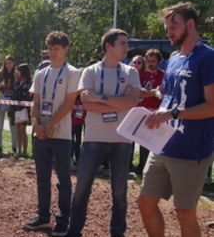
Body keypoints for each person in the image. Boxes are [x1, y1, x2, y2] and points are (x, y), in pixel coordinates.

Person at [139, 2, 214, 237]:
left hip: (191, 150)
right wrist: (152, 103)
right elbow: (167, 95)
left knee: (184, 212)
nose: (169, 31)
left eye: (174, 25)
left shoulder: (208, 57)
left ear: (190, 24)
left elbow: (212, 106)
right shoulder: (172, 59)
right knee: (145, 203)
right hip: (162, 144)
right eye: (166, 27)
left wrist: (173, 113)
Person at [66, 28, 140, 237]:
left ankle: (117, 232)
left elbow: (133, 101)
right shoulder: (90, 71)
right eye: (122, 43)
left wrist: (101, 98)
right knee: (82, 189)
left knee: (120, 192)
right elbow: (87, 105)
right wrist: (119, 103)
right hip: (93, 139)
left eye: (127, 43)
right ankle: (74, 230)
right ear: (109, 46)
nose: (127, 47)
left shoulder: (131, 72)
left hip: (122, 140)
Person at [23, 31, 80, 236]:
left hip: (62, 134)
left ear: (66, 49)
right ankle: (43, 217)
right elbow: (36, 102)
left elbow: (69, 103)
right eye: (50, 49)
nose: (53, 53)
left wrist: (51, 124)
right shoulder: (41, 73)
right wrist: (36, 124)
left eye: (57, 49)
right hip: (41, 133)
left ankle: (64, 219)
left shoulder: (72, 73)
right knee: (42, 177)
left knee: (63, 179)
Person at [134, 49, 165, 175]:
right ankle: (141, 167)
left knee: (154, 142)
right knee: (142, 140)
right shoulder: (142, 75)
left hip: (157, 111)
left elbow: (162, 93)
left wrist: (149, 93)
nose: (151, 63)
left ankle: (153, 169)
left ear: (158, 61)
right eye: (149, 61)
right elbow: (138, 92)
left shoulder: (164, 75)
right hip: (143, 110)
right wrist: (153, 93)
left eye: (153, 61)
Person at [0, 55, 17, 154]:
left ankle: (14, 147)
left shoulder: (16, 74)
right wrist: (0, 85)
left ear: (13, 63)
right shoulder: (0, 74)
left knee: (13, 126)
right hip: (2, 99)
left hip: (12, 101)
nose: (8, 65)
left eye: (10, 63)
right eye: (6, 63)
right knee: (0, 125)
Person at [8, 63, 33, 157]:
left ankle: (25, 152)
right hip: (16, 109)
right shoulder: (18, 82)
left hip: (24, 109)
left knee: (23, 130)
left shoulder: (29, 83)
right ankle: (19, 151)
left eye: (18, 70)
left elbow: (27, 96)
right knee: (17, 130)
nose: (16, 72)